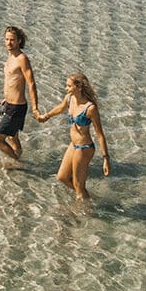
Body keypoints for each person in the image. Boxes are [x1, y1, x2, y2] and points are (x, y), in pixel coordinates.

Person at [36, 72, 111, 200]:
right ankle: (88, 198)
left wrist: (106, 159)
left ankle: (82, 210)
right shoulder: (69, 98)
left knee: (78, 185)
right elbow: (60, 108)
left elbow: (100, 134)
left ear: (79, 87)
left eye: (69, 86)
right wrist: (46, 116)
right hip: (73, 145)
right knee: (62, 177)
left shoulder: (90, 108)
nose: (66, 88)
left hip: (84, 147)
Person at [0, 26, 40, 164]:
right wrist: (6, 98)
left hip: (16, 107)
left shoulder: (22, 59)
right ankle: (18, 155)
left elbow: (31, 83)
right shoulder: (10, 56)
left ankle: (18, 163)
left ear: (19, 41)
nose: (8, 43)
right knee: (12, 137)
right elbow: (12, 81)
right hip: (8, 104)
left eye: (12, 40)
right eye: (6, 39)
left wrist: (35, 107)